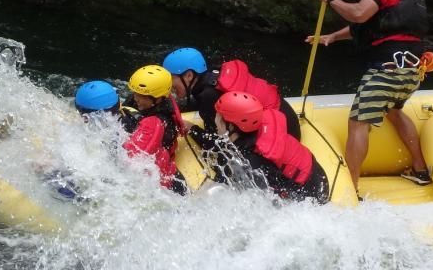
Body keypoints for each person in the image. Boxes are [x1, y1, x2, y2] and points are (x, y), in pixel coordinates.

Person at [308, 0, 431, 189]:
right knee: (395, 112)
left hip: (387, 69)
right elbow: (373, 26)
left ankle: (350, 188)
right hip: (411, 71)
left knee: (358, 122)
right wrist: (332, 36)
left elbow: (360, 14)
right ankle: (420, 170)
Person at [212, 91, 329, 203]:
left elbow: (263, 200)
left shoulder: (252, 161)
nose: (216, 126)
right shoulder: (257, 129)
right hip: (315, 174)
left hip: (311, 193)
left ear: (231, 126)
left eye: (219, 121)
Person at [162, 47, 301, 141]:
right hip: (286, 116)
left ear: (188, 75)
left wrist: (192, 128)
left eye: (170, 78)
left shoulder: (208, 96)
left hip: (285, 132)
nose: (169, 85)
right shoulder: (214, 76)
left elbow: (217, 143)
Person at [123, 65, 187, 194]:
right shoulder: (147, 100)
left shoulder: (157, 123)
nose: (136, 98)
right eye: (135, 92)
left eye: (142, 95)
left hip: (167, 184)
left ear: (158, 98)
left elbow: (135, 161)